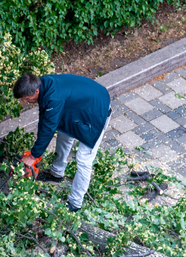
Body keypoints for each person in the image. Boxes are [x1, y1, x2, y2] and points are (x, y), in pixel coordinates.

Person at [13, 73, 112, 212]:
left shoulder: (53, 96)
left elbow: (48, 128)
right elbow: (45, 119)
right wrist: (36, 151)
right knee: (64, 134)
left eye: (27, 98)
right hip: (78, 107)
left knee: (84, 159)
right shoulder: (44, 84)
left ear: (36, 91)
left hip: (96, 112)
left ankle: (75, 203)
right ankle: (57, 173)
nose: (25, 101)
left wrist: (33, 155)